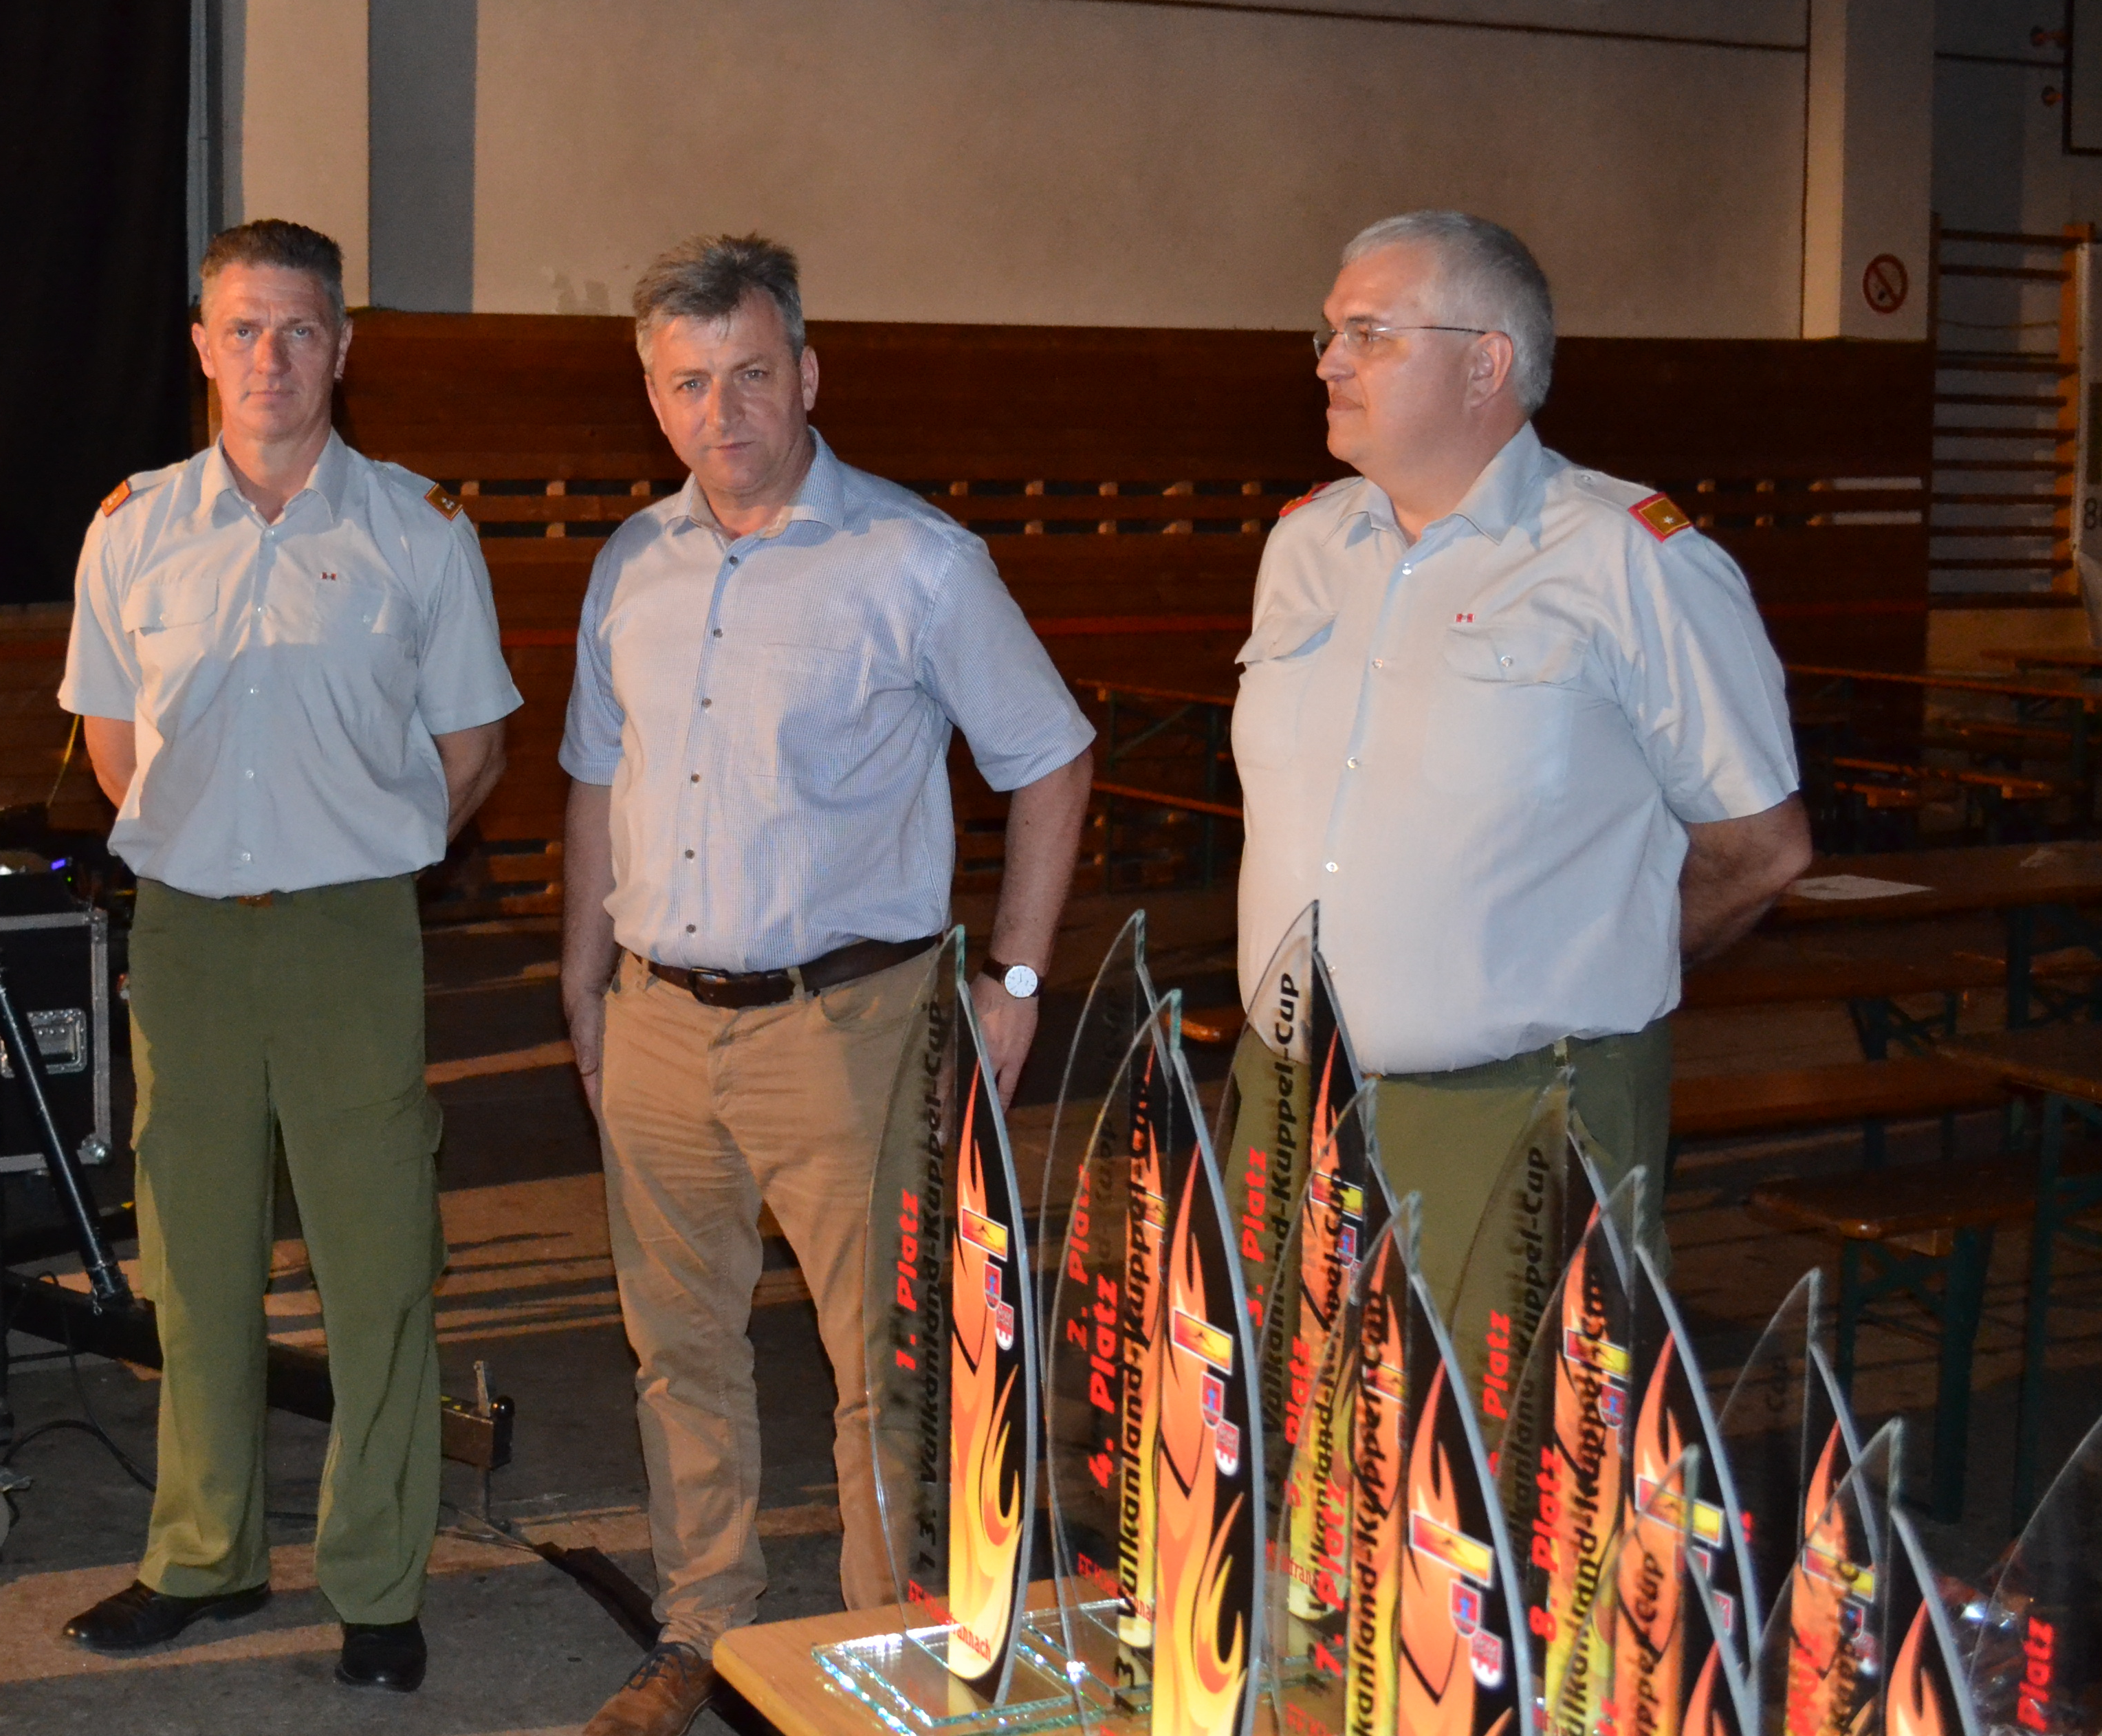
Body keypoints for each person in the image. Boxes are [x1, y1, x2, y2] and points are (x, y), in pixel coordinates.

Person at [556, 234, 1096, 1736]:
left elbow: (1051, 759)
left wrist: (1017, 979)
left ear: (807, 374)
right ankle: (701, 1630)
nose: (719, 411)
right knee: (680, 1356)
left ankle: (892, 1665)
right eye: (686, 383)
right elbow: (597, 775)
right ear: (653, 397)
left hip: (852, 1028)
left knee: (892, 1378)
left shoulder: (916, 562)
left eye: (748, 374)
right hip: (659, 1022)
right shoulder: (633, 564)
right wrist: (583, 977)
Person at [54, 218, 518, 1693]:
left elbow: (473, 751)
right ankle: (204, 1554)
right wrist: (208, 852)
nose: (271, 357)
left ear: (342, 349)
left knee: (376, 1268)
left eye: (299, 329)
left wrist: (359, 857)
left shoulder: (418, 532)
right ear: (202, 348)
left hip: (349, 936)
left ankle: (377, 1582)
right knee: (194, 1266)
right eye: (244, 328)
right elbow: (112, 744)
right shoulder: (132, 528)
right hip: (187, 937)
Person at [1229, 209, 1811, 1299]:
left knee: (1504, 1416)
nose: (1329, 363)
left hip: (1522, 1114)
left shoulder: (1626, 560)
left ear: (1485, 364)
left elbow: (1761, 848)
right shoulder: (1306, 544)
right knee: (1287, 1407)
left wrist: (1605, 956)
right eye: (1329, 334)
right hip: (1289, 1096)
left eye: (1369, 335)